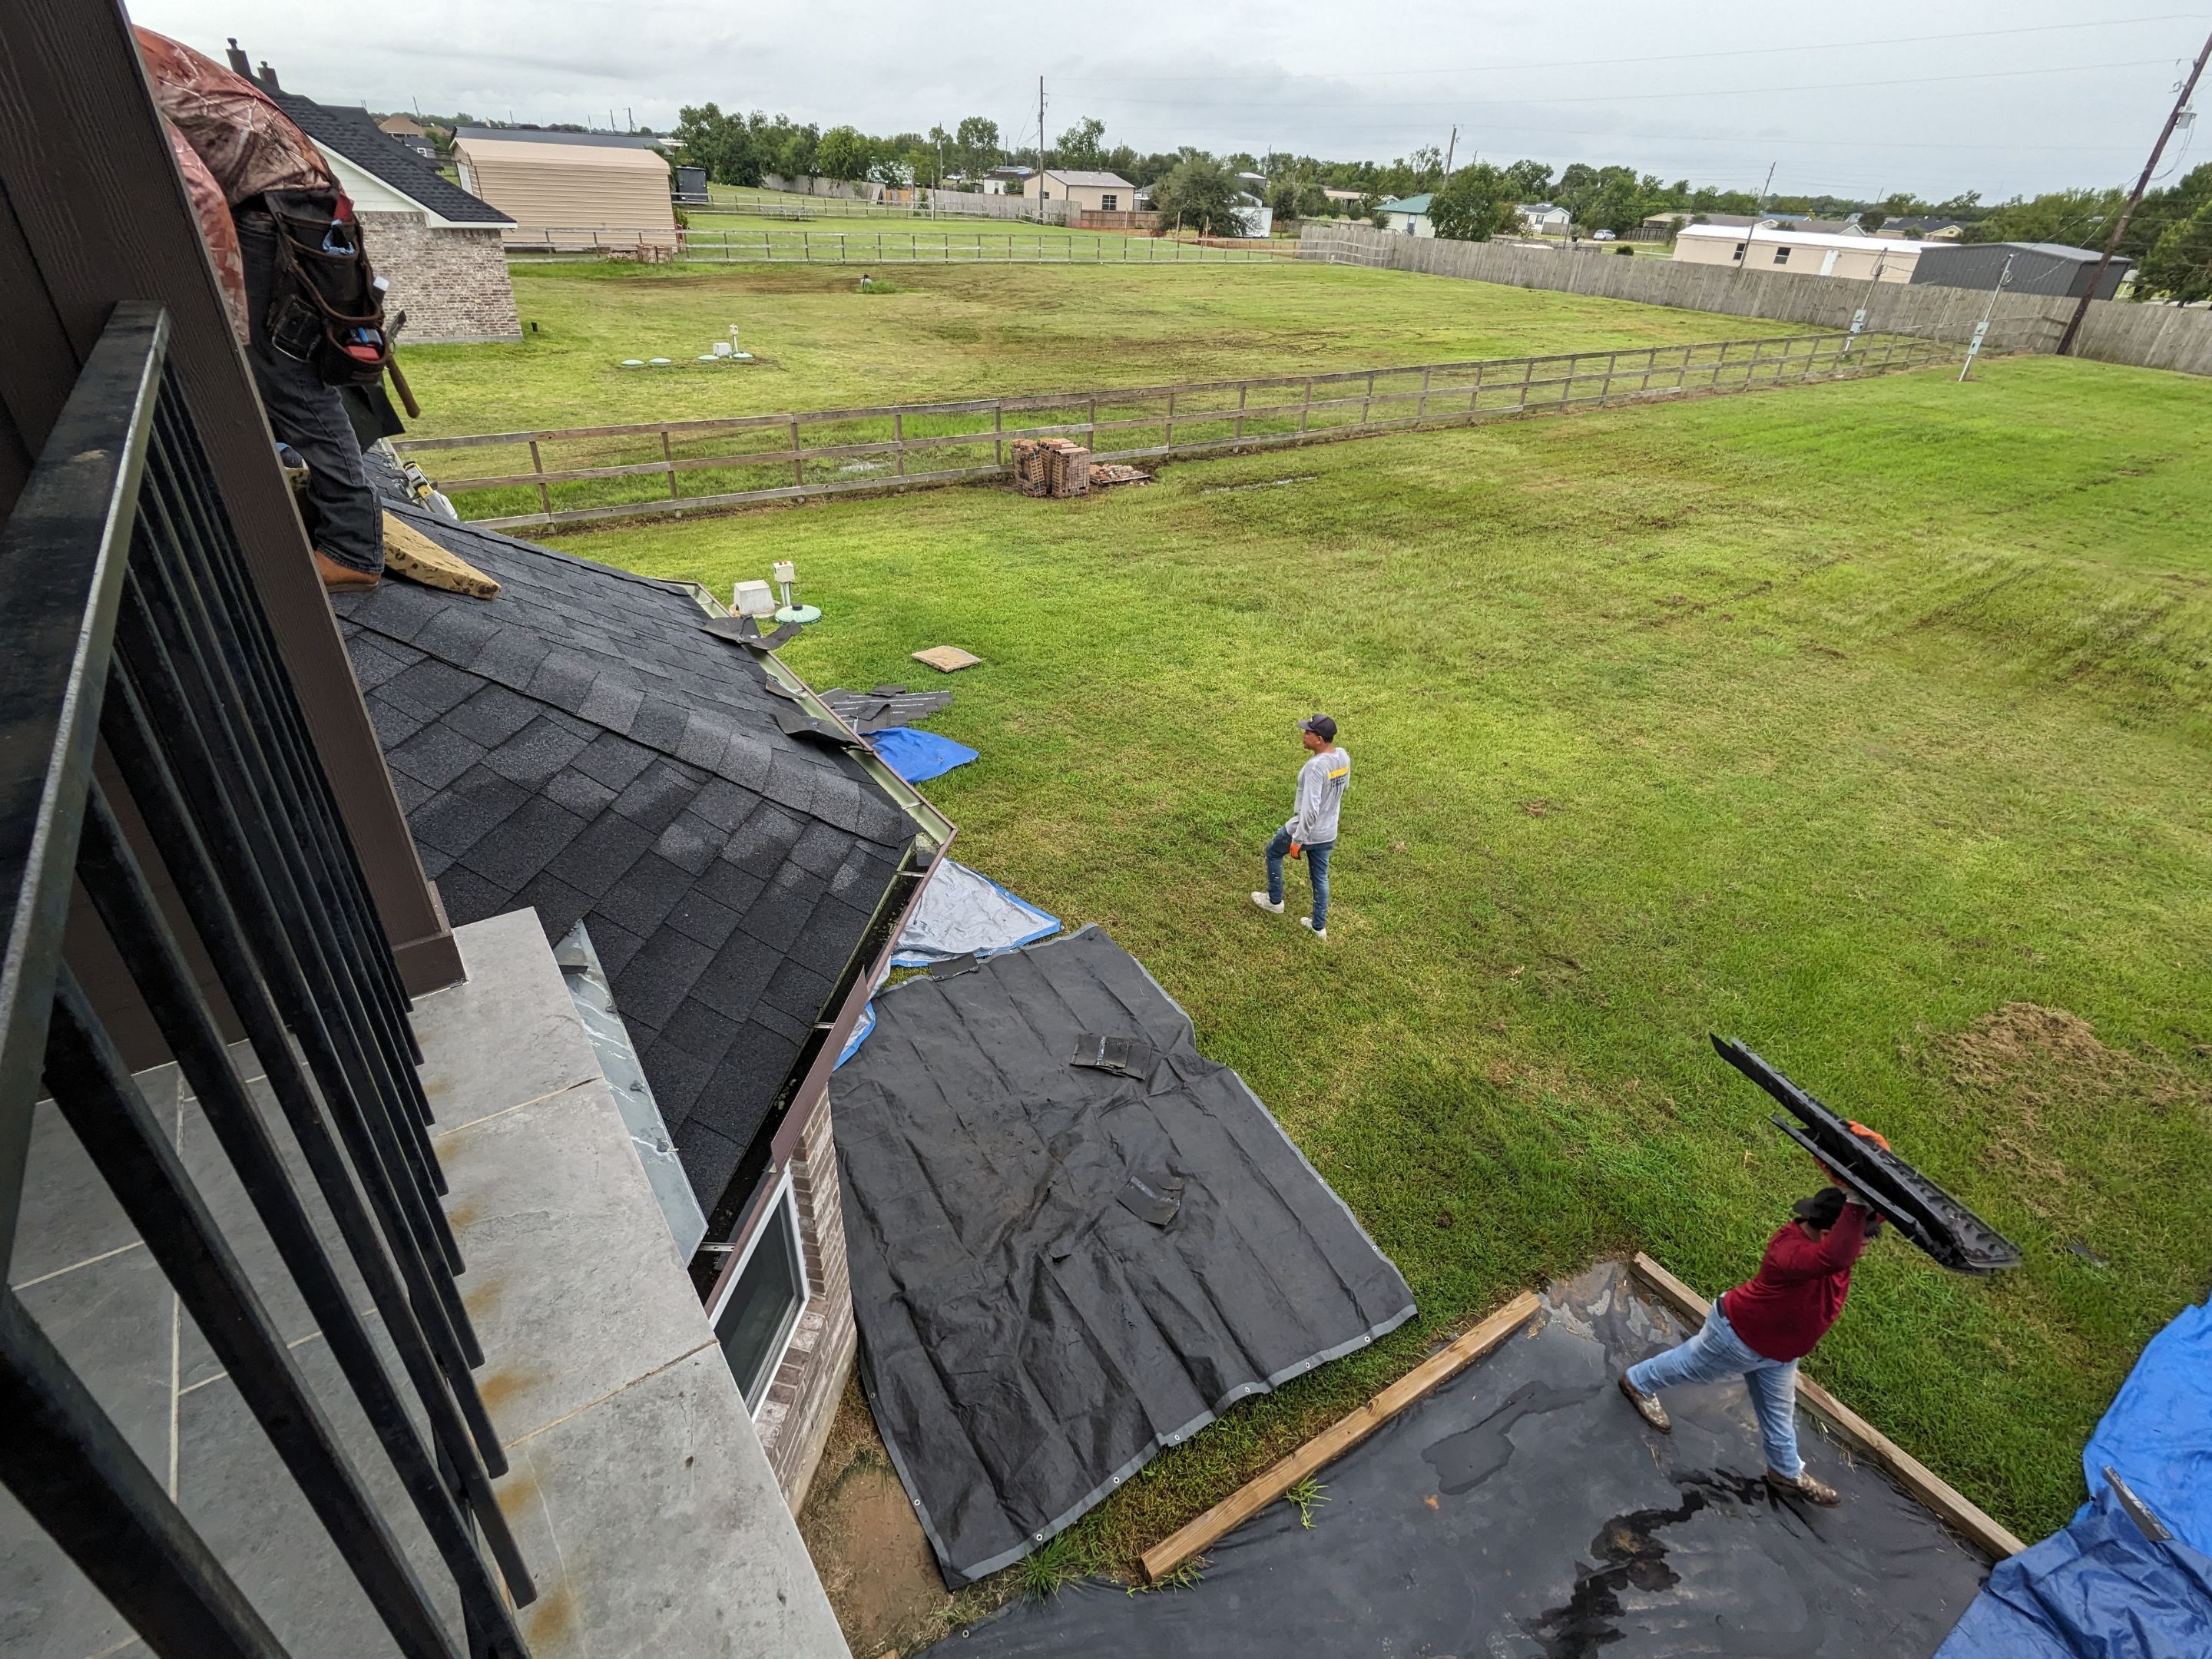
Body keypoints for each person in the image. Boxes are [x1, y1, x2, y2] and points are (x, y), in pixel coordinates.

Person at [136, 28, 386, 592]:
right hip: (298, 208)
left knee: (285, 374)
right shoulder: (138, 47)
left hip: (276, 214)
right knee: (279, 371)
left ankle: (352, 549)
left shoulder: (110, 58)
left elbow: (200, 196)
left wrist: (227, 317)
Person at [1618, 1182, 1876, 1505]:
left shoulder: (1829, 1250)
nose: (1864, 1250)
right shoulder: (1791, 1252)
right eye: (1862, 1243)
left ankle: (1785, 1472)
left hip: (1780, 1354)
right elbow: (1838, 1255)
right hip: (1738, 1339)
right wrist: (1854, 1204)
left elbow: (1847, 1242)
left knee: (1779, 1412)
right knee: (1690, 1366)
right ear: (1829, 1236)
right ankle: (1638, 1382)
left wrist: (1869, 1191)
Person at [1250, 714, 1350, 942]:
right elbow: (1343, 788)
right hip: (1328, 833)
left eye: (1308, 733)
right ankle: (1318, 927)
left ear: (1320, 739)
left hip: (1306, 831)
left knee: (1273, 851)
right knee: (1320, 878)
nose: (1304, 735)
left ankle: (1274, 901)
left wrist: (1298, 839)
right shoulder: (1343, 757)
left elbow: (1310, 810)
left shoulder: (1315, 768)